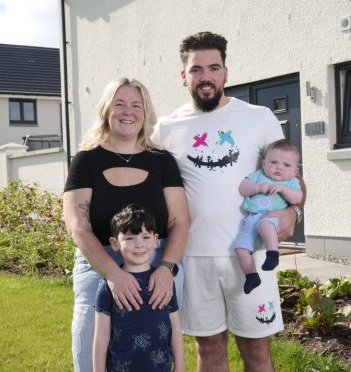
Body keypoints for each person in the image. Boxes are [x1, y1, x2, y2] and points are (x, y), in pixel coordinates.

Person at [151, 32, 305, 371]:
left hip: (249, 253)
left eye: (213, 67)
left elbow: (291, 176)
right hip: (194, 257)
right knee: (209, 351)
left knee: (258, 352)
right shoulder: (165, 129)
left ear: (225, 73)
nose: (205, 77)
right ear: (183, 76)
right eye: (196, 70)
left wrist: (292, 211)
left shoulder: (259, 117)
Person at [63, 77, 189, 372]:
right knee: (90, 359)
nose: (127, 111)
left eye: (136, 105)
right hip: (99, 266)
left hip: (158, 266)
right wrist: (113, 275)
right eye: (119, 104)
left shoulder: (162, 162)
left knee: (154, 358)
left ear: (145, 113)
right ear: (106, 110)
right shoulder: (86, 162)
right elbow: (77, 226)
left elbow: (180, 220)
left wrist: (166, 268)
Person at [93, 204, 184, 372]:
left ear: (156, 240)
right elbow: (101, 337)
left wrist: (180, 367)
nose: (139, 244)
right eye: (130, 238)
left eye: (145, 237)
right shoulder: (107, 287)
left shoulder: (165, 282)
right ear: (115, 243)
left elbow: (175, 328)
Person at [234, 139, 303, 294]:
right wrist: (257, 187)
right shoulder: (258, 176)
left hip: (272, 217)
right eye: (273, 162)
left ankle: (272, 254)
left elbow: (297, 198)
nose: (279, 167)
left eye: (286, 165)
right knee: (241, 249)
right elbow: (243, 188)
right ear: (264, 164)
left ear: (294, 171)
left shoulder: (291, 182)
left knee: (265, 225)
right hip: (252, 219)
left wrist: (284, 190)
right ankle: (252, 276)